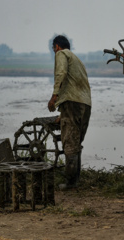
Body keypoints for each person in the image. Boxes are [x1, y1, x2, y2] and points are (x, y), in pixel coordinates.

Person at [48, 35, 91, 189]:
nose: (54, 52)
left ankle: (70, 183)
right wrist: (62, 114)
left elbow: (61, 74)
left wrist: (54, 97)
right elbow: (75, 85)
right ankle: (75, 180)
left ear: (57, 46)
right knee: (77, 141)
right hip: (85, 104)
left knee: (70, 143)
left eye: (54, 49)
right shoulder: (77, 60)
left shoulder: (62, 54)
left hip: (72, 103)